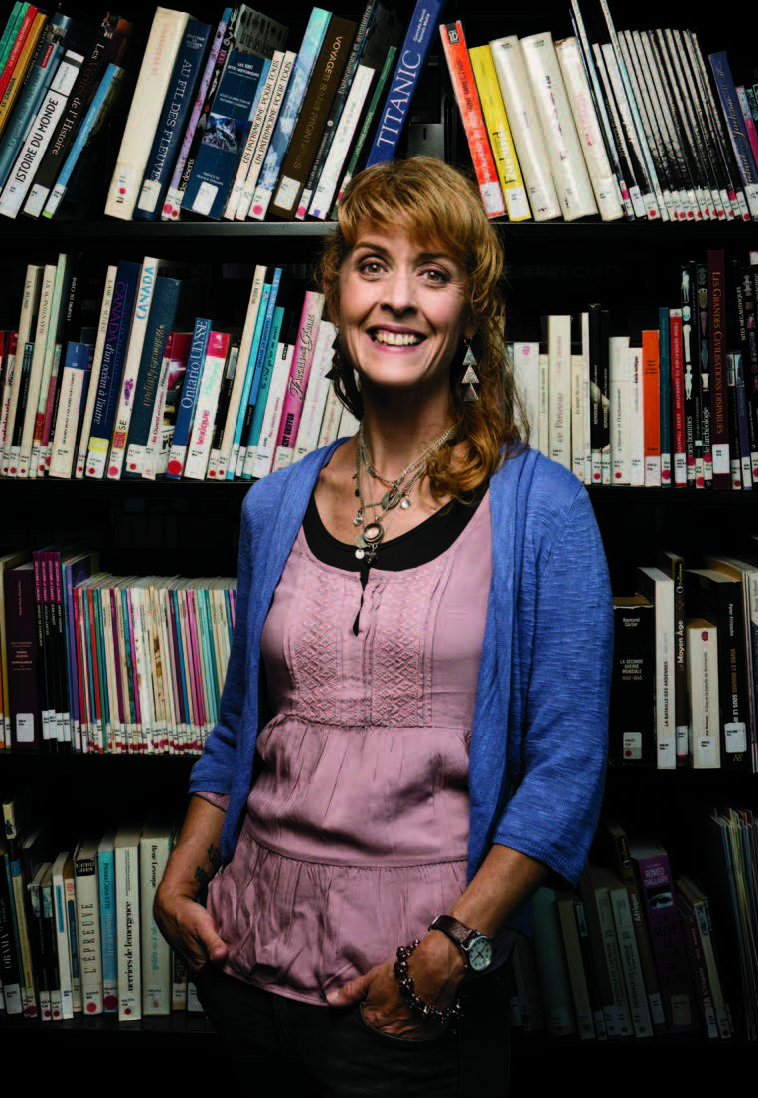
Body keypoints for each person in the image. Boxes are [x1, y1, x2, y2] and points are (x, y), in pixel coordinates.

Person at [154, 156, 613, 1095]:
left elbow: (567, 765)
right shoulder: (273, 505)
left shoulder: (543, 509)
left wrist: (448, 954)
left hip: (413, 997)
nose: (397, 300)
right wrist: (176, 880)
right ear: (335, 295)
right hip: (244, 968)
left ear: (468, 310)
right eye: (372, 265)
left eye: (433, 273)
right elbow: (243, 727)